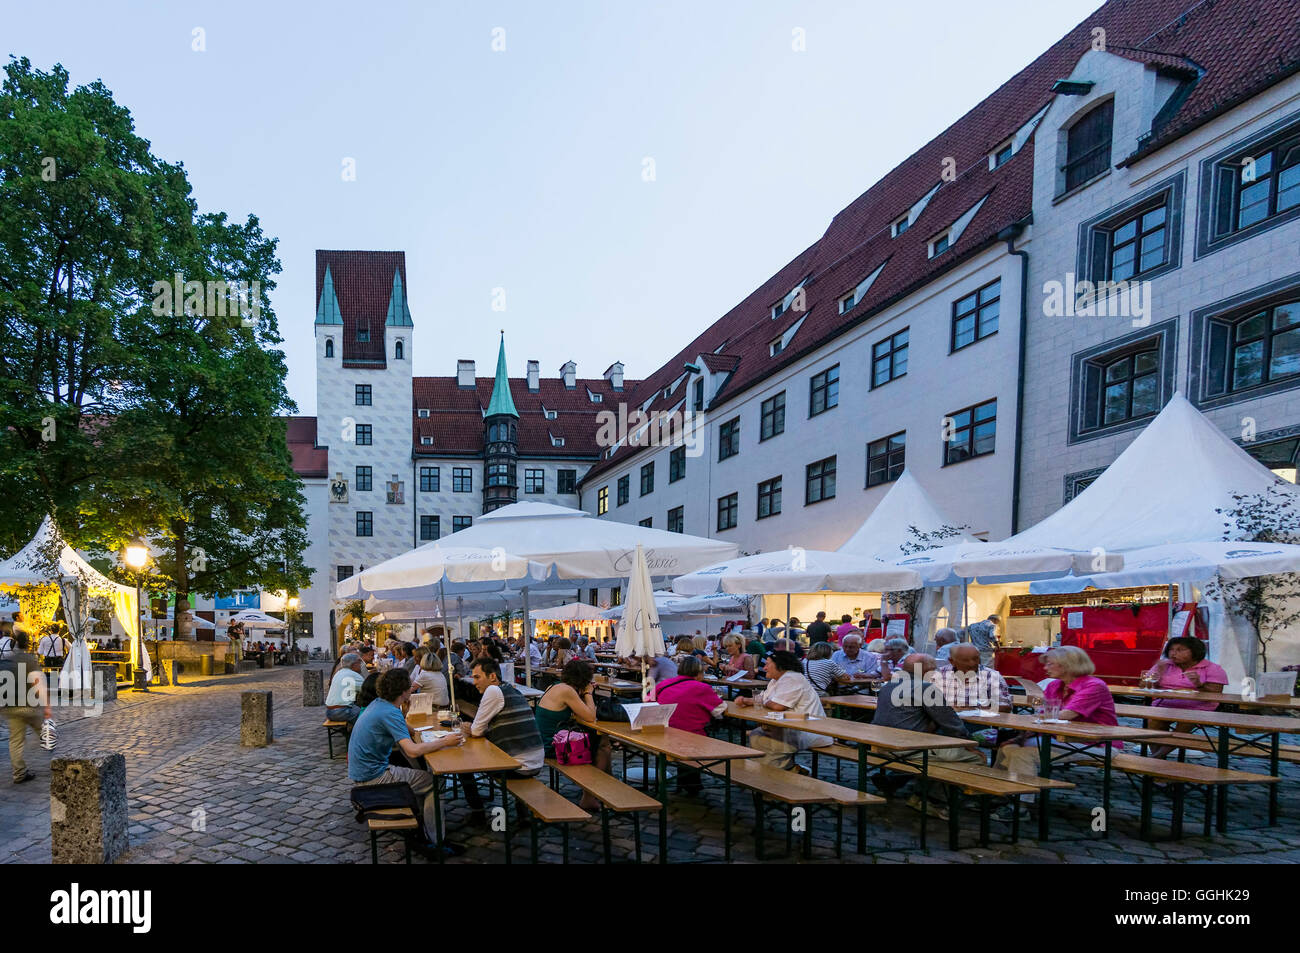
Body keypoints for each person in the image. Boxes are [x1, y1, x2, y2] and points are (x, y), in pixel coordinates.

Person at [347, 669, 466, 858]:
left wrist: (409, 715)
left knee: (421, 777)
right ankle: (435, 841)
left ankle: (423, 827)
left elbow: (404, 727)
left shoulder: (380, 705)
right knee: (435, 782)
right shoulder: (389, 712)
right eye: (409, 686)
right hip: (373, 777)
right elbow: (411, 750)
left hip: (362, 772)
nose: (412, 689)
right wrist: (445, 741)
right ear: (403, 691)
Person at [871, 654, 985, 815]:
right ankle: (933, 800)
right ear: (924, 670)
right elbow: (951, 723)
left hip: (879, 744)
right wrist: (971, 745)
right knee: (975, 758)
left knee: (942, 753)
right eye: (933, 669)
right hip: (905, 748)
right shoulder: (925, 688)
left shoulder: (888, 685)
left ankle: (916, 791)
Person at [995, 646, 1120, 778]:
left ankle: (1022, 797)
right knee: (1007, 748)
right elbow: (1042, 715)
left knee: (1022, 754)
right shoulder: (1054, 685)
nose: (1045, 668)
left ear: (1068, 665)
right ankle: (998, 789)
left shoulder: (1094, 686)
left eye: (1050, 664)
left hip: (1097, 744)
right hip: (1061, 740)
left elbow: (1064, 715)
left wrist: (1027, 719)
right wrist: (1019, 738)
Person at [459, 658, 546, 825]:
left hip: (519, 766)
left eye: (477, 677)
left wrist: (467, 727)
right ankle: (522, 812)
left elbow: (476, 730)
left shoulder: (493, 691)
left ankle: (477, 812)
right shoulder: (510, 689)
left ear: (492, 676)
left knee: (463, 764)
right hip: (535, 760)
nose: (474, 682)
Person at [533, 659, 612, 811]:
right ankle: (589, 797)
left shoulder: (556, 686)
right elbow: (590, 717)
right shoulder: (567, 691)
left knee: (601, 741)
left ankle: (606, 788)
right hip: (553, 747)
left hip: (544, 741)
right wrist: (588, 692)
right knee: (603, 745)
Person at [735, 650, 831, 769]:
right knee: (757, 734)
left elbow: (777, 706)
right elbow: (764, 700)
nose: (764, 668)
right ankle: (787, 771)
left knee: (765, 740)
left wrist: (762, 701)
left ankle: (779, 775)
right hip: (789, 725)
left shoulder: (792, 677)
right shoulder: (776, 680)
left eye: (767, 664)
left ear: (780, 665)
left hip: (807, 730)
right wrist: (745, 700)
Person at [1142, 637, 1227, 758]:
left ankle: (1156, 758)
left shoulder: (1212, 668)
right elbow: (1143, 685)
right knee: (1154, 722)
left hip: (1197, 707)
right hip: (1165, 704)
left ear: (1195, 651)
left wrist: (1199, 685)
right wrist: (1155, 677)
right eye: (1171, 649)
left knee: (1185, 722)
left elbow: (1216, 693)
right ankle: (1158, 760)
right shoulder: (1164, 665)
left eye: (1180, 650)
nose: (1173, 653)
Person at [655, 656, 728, 793]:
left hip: (662, 735)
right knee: (691, 732)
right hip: (692, 737)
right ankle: (691, 786)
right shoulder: (702, 688)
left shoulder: (664, 684)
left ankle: (686, 783)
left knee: (682, 730)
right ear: (699, 673)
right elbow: (720, 710)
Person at [5, 632, 50, 784]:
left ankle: (19, 773)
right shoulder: (30, 660)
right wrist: (46, 706)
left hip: (12, 707)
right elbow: (38, 684)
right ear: (28, 643)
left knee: (15, 741)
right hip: (30, 706)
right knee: (44, 733)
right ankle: (57, 761)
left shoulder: (9, 660)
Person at [930, 644, 1011, 712]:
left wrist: (974, 709)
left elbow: (1005, 707)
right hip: (944, 721)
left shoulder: (991, 676)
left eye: (975, 659)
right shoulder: (939, 675)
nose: (972, 663)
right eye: (965, 660)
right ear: (952, 661)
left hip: (979, 722)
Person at [326, 652, 366, 723]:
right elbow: (367, 690)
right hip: (343, 711)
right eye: (359, 664)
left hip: (329, 712)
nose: (360, 666)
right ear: (354, 664)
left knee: (357, 708)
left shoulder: (338, 673)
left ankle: (351, 728)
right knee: (367, 715)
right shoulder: (354, 675)